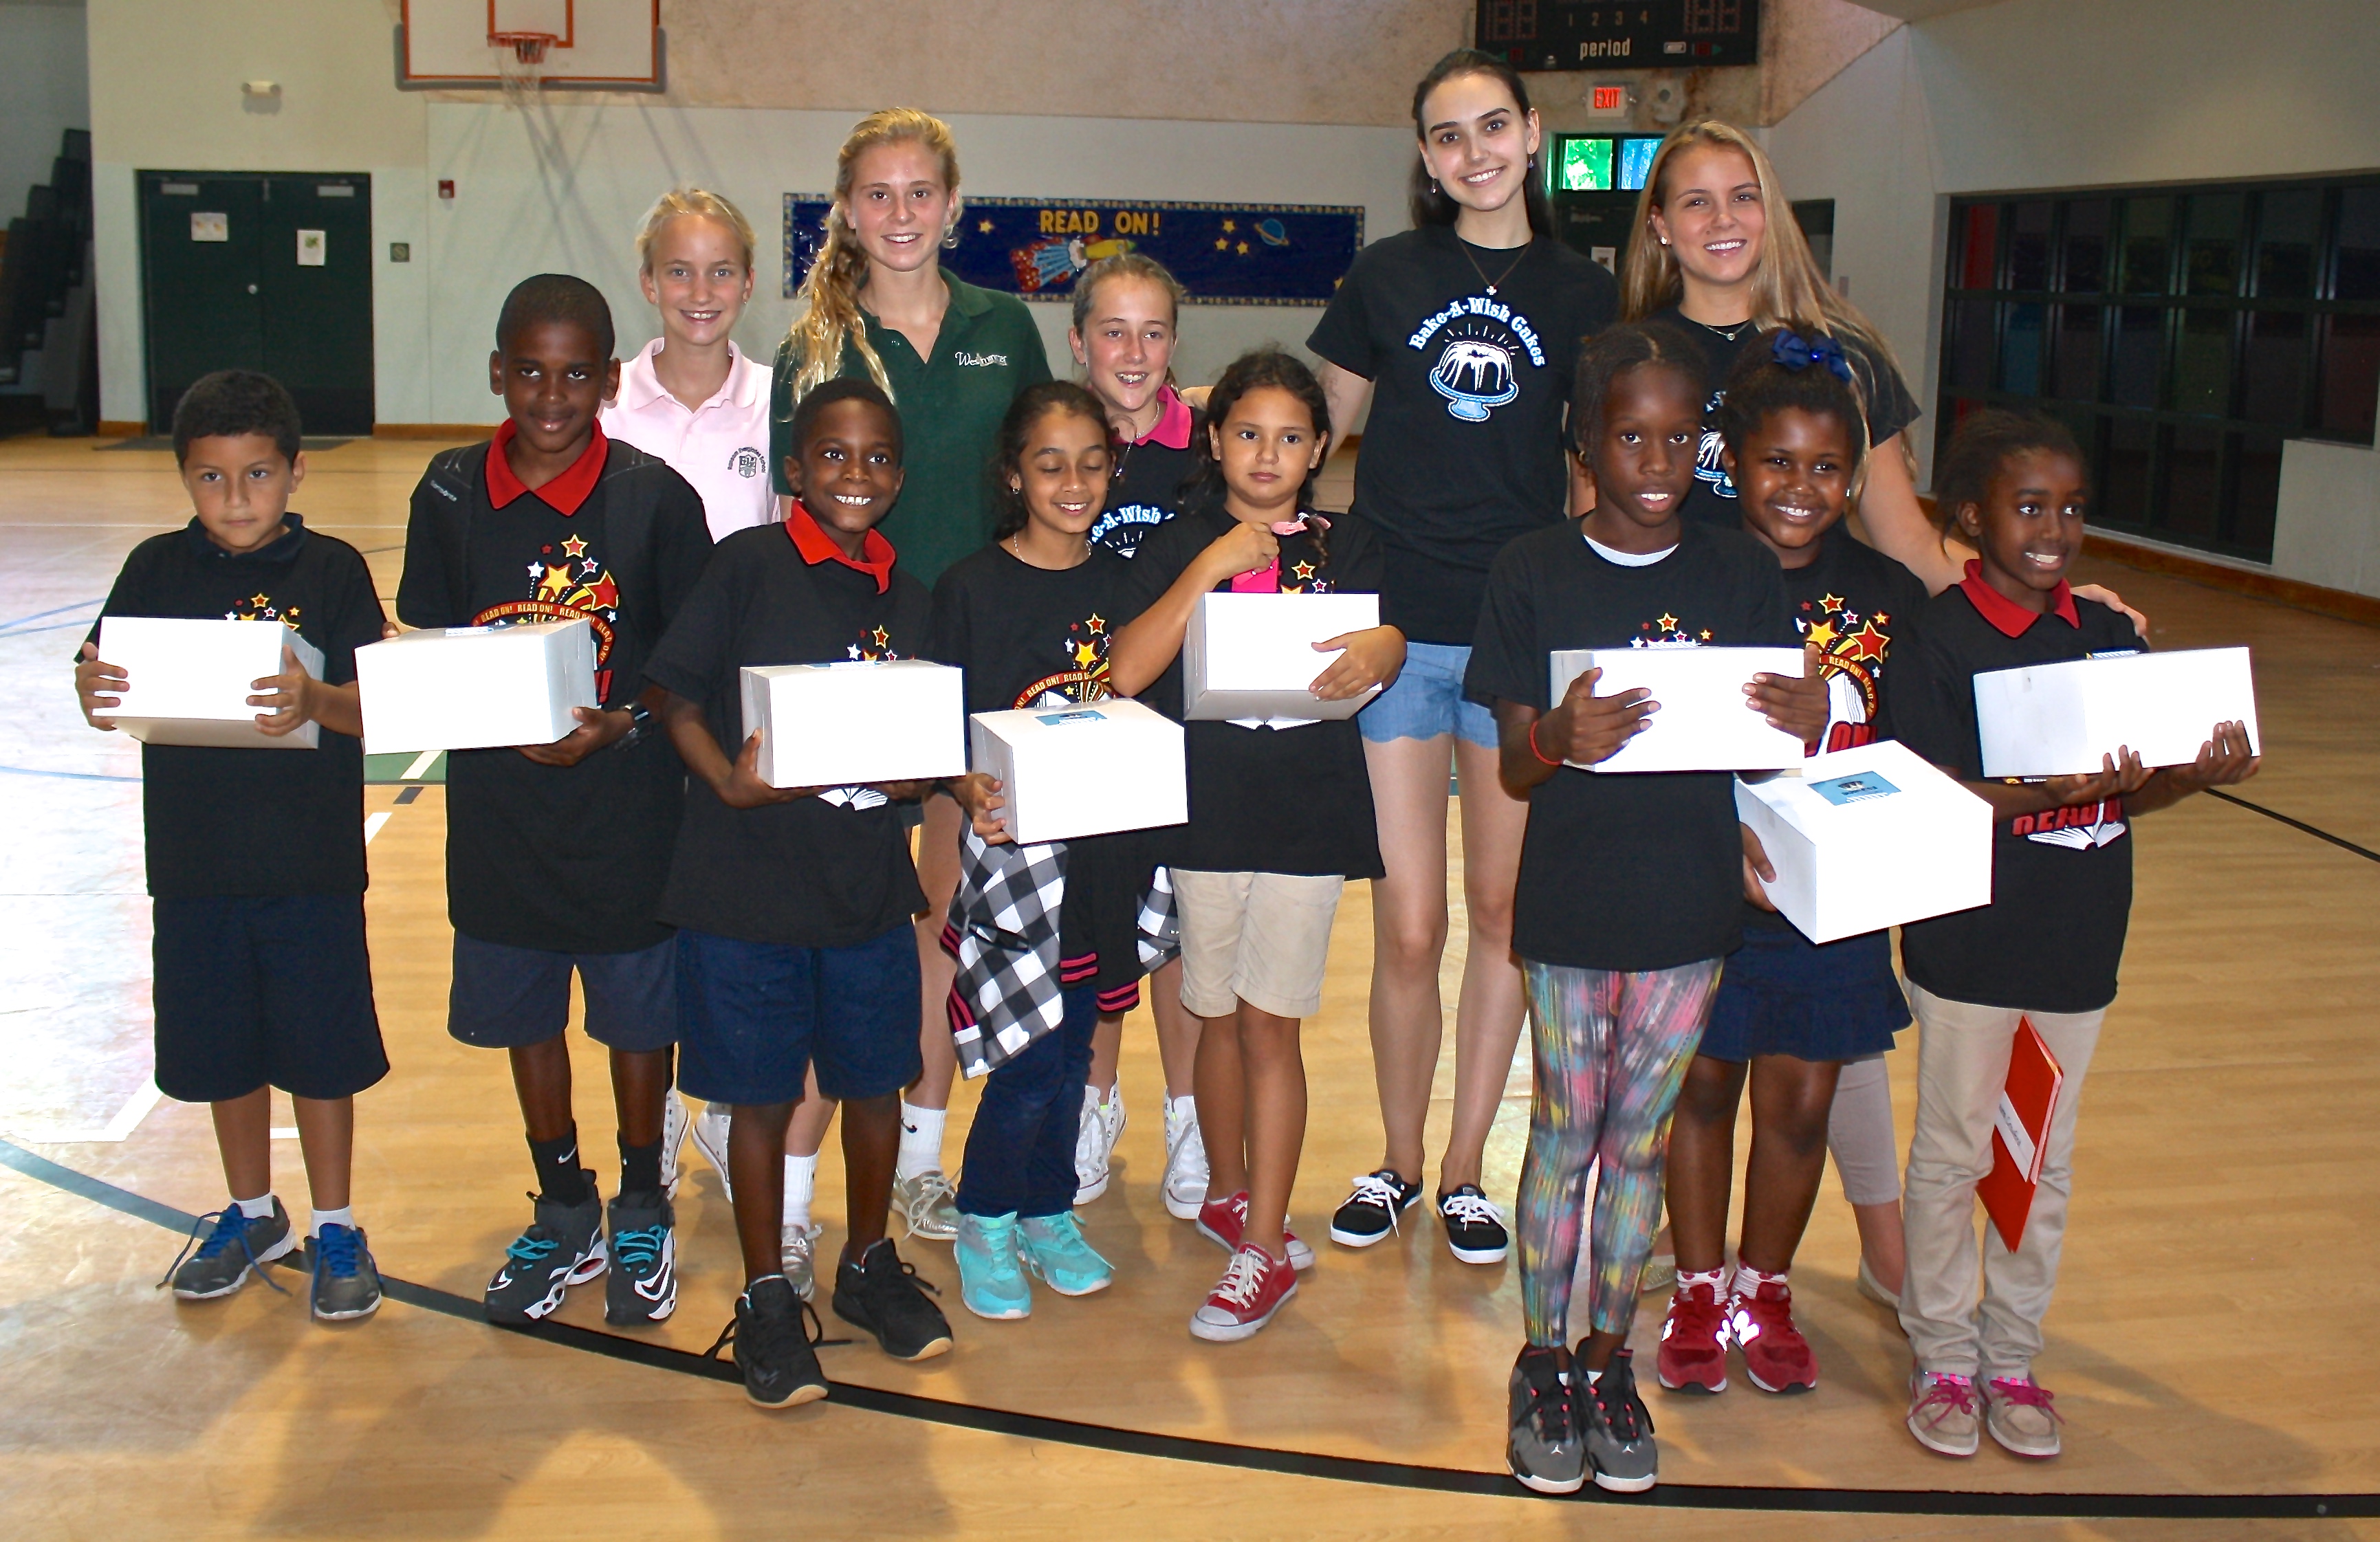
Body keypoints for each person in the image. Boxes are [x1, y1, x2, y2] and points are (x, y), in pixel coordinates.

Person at [1463, 323, 1828, 1494]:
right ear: (1585, 443)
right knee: (1566, 1135)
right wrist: (1552, 737)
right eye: (1631, 434)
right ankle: (1539, 1361)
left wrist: (1811, 717)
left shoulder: (1738, 572)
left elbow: (1769, 755)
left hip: (1688, 911)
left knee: (1638, 1143)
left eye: (1682, 435)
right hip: (1570, 910)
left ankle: (1608, 1356)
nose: (1659, 457)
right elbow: (1516, 766)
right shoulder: (1531, 568)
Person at [1886, 409, 2258, 1460]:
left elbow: (2128, 796)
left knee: (2041, 1157)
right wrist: (2041, 786)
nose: (2054, 527)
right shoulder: (1936, 638)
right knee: (1955, 1150)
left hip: (2080, 937)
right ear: (1971, 516)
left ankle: (2012, 1352)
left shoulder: (2108, 636)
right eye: (2029, 505)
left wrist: (2197, 769)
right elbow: (1926, 794)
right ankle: (1944, 1350)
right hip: (1968, 937)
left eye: (2073, 507)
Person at [1306, 49, 1619, 1265]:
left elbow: (1598, 469)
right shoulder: (1387, 275)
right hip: (1392, 634)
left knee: (1501, 911)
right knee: (1407, 925)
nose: (1473, 151)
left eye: (1493, 126)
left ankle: (1462, 1168)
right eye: (1447, 135)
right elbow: (1312, 429)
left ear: (1534, 133)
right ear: (1424, 157)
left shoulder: (1584, 292)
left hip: (1513, 643)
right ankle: (1391, 1157)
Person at [396, 276, 712, 1329]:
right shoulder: (446, 491)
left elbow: (684, 661)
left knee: (635, 1022)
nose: (550, 393)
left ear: (611, 381)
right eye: (529, 369)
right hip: (500, 823)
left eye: (576, 372)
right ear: (497, 372)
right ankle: (562, 1194)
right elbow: (435, 647)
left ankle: (639, 1195)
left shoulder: (655, 497)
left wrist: (621, 718)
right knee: (528, 1018)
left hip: (627, 821)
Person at [770, 108, 1054, 1240]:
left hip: (980, 663)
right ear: (847, 206)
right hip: (856, 665)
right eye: (876, 195)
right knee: (830, 922)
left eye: (919, 192)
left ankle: (920, 1159)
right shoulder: (817, 344)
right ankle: (788, 1178)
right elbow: (792, 516)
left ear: (952, 202)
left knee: (944, 920)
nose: (898, 215)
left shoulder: (1003, 325)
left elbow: (1038, 483)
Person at [646, 377, 957, 1407]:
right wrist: (725, 776)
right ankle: (767, 1295)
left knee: (875, 1080)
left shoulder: (909, 596)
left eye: (875, 458)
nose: (854, 474)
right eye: (832, 454)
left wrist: (920, 773)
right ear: (793, 468)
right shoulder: (746, 567)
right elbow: (672, 691)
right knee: (761, 1094)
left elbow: (923, 738)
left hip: (864, 893)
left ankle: (866, 1262)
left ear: (899, 477)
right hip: (742, 897)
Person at [75, 369, 390, 1323]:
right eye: (212, 478)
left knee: (323, 1052)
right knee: (225, 1049)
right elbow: (102, 677)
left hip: (311, 866)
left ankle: (336, 1221)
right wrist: (93, 692)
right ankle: (254, 1210)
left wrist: (317, 699)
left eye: (257, 474)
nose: (237, 497)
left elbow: (374, 702)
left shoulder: (331, 571)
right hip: (197, 864)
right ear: (183, 477)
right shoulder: (154, 570)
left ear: (295, 472)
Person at [1111, 349, 1406, 1342]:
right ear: (1213, 439)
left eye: (1289, 436)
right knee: (1218, 1013)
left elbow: (1383, 639)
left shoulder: (1348, 543)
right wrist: (1208, 567)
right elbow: (1124, 668)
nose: (1267, 453)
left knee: (1270, 1025)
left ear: (1321, 447)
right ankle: (1233, 1195)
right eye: (1247, 432)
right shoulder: (1180, 538)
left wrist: (1389, 647)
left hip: (1303, 825)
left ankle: (1266, 1244)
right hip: (1202, 816)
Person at [1655, 332, 1928, 1400]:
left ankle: (1763, 1287)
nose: (1800, 488)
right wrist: (1715, 846)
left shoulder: (1886, 590)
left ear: (1853, 476)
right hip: (1704, 887)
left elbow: (1918, 740)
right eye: (1777, 462)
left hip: (1834, 898)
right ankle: (1693, 1282)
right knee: (1705, 1087)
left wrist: (1843, 708)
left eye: (1825, 467)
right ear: (1734, 458)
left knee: (1801, 1105)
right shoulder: (1693, 569)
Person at [939, 381, 1160, 1317]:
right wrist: (964, 785)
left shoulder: (1124, 584)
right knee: (1026, 1061)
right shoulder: (970, 587)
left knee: (1076, 1054)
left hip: (1105, 866)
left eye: (1091, 463)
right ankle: (983, 1213)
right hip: (1020, 873)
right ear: (1013, 475)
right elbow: (940, 725)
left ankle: (1045, 1208)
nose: (1073, 481)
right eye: (1049, 463)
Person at [1069, 252, 1205, 1215]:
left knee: (1186, 931)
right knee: (1099, 927)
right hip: (1079, 724)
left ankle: (1191, 1116)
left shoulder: (1204, 443)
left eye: (1152, 331)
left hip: (1188, 724)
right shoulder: (1053, 436)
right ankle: (1092, 1103)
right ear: (1077, 343)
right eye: (1113, 331)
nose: (1133, 351)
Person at [603, 188, 777, 542]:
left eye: (722, 272)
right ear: (649, 284)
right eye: (680, 272)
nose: (701, 293)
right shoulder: (605, 404)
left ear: (748, 284)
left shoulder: (779, 403)